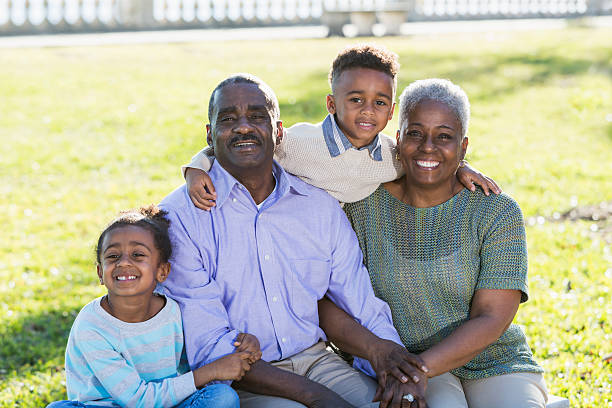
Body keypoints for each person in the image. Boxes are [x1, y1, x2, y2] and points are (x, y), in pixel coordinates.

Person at [159, 73, 429, 408]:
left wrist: (392, 362)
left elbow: (359, 300)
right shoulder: (180, 217)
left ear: (279, 131)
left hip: (318, 361)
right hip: (240, 380)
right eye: (228, 119)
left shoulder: (318, 207)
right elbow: (209, 344)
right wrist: (316, 398)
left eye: (257, 117)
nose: (244, 127)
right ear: (210, 135)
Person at [341, 78, 548, 408]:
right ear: (398, 138)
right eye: (415, 133)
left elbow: (491, 317)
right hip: (402, 359)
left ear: (463, 147)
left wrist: (418, 371)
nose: (428, 146)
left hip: (494, 361)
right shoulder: (361, 204)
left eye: (444, 137)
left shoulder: (496, 211)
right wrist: (408, 369)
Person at [183, 44, 499, 210]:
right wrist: (196, 169)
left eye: (379, 103)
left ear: (390, 113)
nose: (367, 111)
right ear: (332, 104)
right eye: (356, 100)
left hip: (338, 245)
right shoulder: (298, 142)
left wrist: (460, 167)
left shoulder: (391, 156)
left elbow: (427, 158)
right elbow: (247, 143)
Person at [47, 205, 261, 408]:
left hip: (168, 403)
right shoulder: (92, 325)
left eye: (138, 255)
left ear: (162, 271)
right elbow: (137, 400)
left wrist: (240, 343)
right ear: (100, 272)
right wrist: (211, 372)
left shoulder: (173, 312)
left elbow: (202, 353)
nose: (123, 263)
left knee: (222, 397)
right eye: (113, 256)